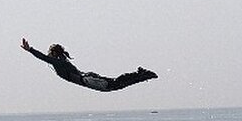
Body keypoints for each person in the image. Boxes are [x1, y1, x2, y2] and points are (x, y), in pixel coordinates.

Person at [21, 38, 157, 91]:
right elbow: (50, 56)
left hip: (87, 80)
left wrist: (30, 50)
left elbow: (43, 58)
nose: (49, 55)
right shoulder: (62, 60)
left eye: (50, 53)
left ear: (54, 54)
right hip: (88, 77)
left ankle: (143, 75)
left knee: (114, 85)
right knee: (115, 83)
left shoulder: (58, 62)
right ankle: (141, 74)